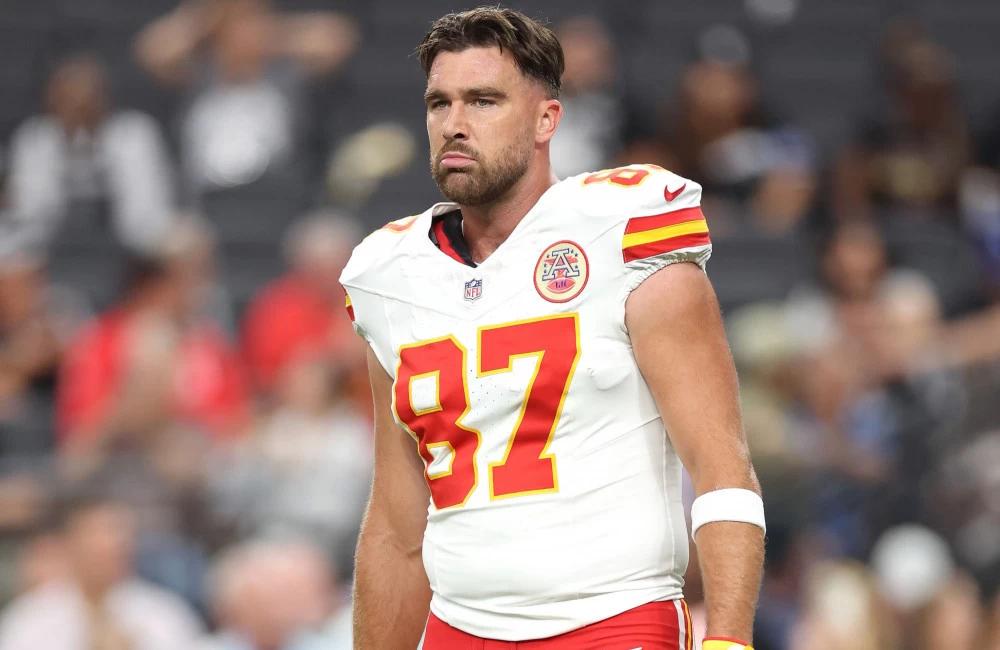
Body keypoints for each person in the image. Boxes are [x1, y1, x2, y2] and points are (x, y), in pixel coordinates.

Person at [340, 8, 765, 650]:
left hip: (613, 621)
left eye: (483, 100)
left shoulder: (623, 232)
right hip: (460, 630)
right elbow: (398, 530)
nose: (454, 124)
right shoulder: (391, 276)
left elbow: (721, 467)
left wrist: (729, 639)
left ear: (547, 120)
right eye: (439, 103)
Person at [0, 496, 202, 650]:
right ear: (69, 543)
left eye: (120, 532)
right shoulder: (31, 618)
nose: (115, 543)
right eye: (99, 532)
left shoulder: (165, 614)